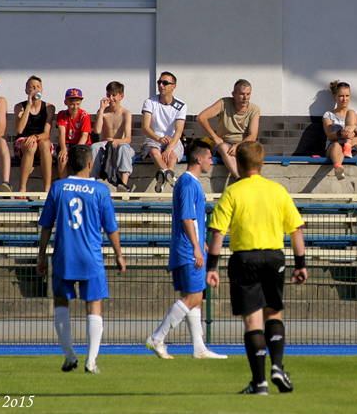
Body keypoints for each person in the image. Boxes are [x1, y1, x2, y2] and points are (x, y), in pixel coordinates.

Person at [206, 141, 308, 395]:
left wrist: (212, 267)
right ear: (262, 163)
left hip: (244, 258)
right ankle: (277, 366)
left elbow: (217, 232)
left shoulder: (233, 192)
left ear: (238, 164)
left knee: (252, 321)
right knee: (273, 314)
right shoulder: (277, 191)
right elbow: (296, 229)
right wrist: (301, 264)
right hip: (274, 257)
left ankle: (259, 382)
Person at [36, 145, 126, 374]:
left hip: (64, 255)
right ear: (89, 164)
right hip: (91, 257)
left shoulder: (58, 188)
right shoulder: (100, 190)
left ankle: (69, 355)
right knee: (94, 304)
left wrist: (41, 256)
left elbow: (46, 225)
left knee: (61, 303)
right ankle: (91, 361)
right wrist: (119, 254)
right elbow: (111, 227)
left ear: (68, 164)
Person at [146, 140, 227, 360]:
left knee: (194, 297)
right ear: (199, 159)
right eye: (210, 157)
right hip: (187, 250)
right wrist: (196, 248)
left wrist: (202, 244)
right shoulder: (189, 183)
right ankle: (157, 337)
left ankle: (198, 348)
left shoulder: (187, 183)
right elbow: (187, 218)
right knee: (194, 296)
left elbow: (192, 220)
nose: (212, 160)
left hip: (188, 248)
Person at [197, 79, 261, 179]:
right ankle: (239, 179)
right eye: (242, 94)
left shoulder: (254, 109)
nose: (245, 98)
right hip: (224, 143)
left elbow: (252, 135)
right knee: (223, 147)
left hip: (243, 144)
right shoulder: (224, 103)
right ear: (233, 94)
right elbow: (201, 117)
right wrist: (215, 137)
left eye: (248, 94)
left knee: (257, 150)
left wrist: (238, 146)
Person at [142, 71, 187, 192]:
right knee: (154, 151)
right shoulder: (150, 102)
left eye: (165, 83)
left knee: (172, 156)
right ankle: (170, 176)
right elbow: (145, 128)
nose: (161, 85)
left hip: (172, 139)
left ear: (174, 86)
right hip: (154, 137)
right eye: (159, 82)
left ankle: (163, 177)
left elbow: (178, 132)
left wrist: (168, 148)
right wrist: (158, 138)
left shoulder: (181, 105)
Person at [13, 76, 56, 193]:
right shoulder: (19, 107)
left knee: (45, 144)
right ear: (26, 90)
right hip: (24, 141)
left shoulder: (49, 108)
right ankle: (22, 188)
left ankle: (47, 188)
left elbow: (47, 133)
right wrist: (28, 105)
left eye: (37, 87)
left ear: (42, 89)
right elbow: (20, 129)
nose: (35, 89)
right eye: (32, 87)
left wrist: (35, 137)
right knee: (31, 145)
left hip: (40, 139)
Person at [91, 81, 135, 192]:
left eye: (114, 95)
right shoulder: (103, 112)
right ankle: (93, 182)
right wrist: (101, 110)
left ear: (121, 96)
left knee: (124, 148)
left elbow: (128, 139)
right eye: (108, 95)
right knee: (94, 147)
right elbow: (96, 130)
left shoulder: (126, 113)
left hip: (120, 144)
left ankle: (123, 185)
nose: (111, 98)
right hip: (105, 144)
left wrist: (116, 141)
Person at [322, 80, 357, 180]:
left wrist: (353, 128)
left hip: (352, 142)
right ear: (335, 97)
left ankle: (349, 148)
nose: (344, 99)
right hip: (334, 144)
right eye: (341, 96)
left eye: (347, 96)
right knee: (336, 145)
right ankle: (338, 167)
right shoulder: (328, 115)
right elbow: (330, 135)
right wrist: (342, 133)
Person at [56, 88, 92, 180]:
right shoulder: (62, 114)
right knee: (62, 158)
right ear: (66, 102)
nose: (75, 107)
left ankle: (84, 184)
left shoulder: (84, 115)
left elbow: (85, 135)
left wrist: (76, 151)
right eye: (72, 104)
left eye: (77, 104)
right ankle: (64, 182)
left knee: (82, 160)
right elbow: (61, 133)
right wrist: (63, 148)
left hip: (82, 145)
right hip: (68, 144)